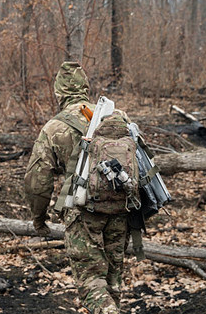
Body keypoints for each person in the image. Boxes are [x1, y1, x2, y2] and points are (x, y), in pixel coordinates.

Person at [23, 61, 131, 314]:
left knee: (91, 282)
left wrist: (39, 220)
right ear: (85, 87)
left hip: (83, 212)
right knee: (113, 278)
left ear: (58, 92)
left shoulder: (54, 128)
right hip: (120, 207)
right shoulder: (117, 115)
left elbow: (37, 181)